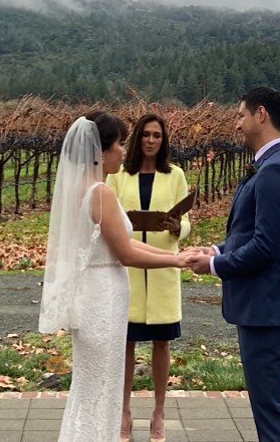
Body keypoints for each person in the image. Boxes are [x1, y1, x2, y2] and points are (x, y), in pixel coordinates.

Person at [39, 112, 190, 442]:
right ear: (100, 151)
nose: (123, 151)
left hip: (92, 297)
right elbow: (127, 253)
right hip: (102, 303)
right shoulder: (100, 193)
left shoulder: (81, 189)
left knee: (90, 391)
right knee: (101, 393)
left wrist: (173, 255)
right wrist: (176, 260)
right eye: (118, 144)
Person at [186, 87, 280, 442]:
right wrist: (214, 250)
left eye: (240, 115)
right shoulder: (271, 165)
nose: (236, 125)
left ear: (261, 115)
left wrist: (214, 267)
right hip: (261, 309)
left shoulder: (276, 171)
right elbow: (249, 233)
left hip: (267, 310)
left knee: (271, 413)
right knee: (267, 409)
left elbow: (265, 248)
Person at [107, 113, 190, 442]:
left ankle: (159, 411)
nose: (151, 140)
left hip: (162, 266)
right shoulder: (119, 177)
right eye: (146, 135)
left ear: (163, 140)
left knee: (161, 342)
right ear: (138, 139)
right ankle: (123, 411)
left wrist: (176, 227)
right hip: (127, 266)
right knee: (125, 343)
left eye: (157, 135)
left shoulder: (175, 176)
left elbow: (186, 220)